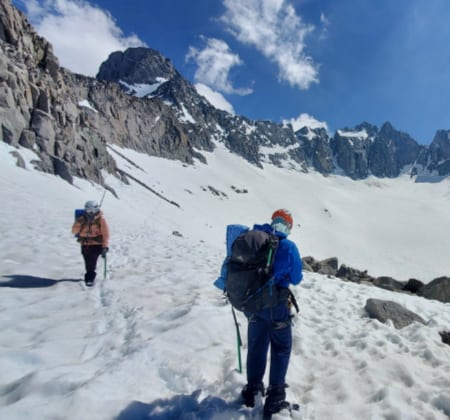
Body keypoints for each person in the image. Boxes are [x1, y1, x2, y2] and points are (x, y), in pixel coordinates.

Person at [240, 209, 303, 417]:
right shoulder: (288, 246)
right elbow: (296, 278)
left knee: (257, 347)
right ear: (289, 226)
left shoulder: (257, 241)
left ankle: (252, 390)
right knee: (281, 348)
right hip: (277, 306)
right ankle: (275, 400)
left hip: (256, 305)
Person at [72, 200, 110, 286]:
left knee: (92, 262)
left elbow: (106, 234)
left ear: (97, 210)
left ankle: (90, 278)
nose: (91, 212)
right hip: (85, 244)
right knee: (87, 262)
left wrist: (105, 246)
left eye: (93, 210)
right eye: (89, 210)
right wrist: (79, 222)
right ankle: (89, 274)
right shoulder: (81, 219)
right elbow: (74, 231)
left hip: (96, 244)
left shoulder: (101, 220)